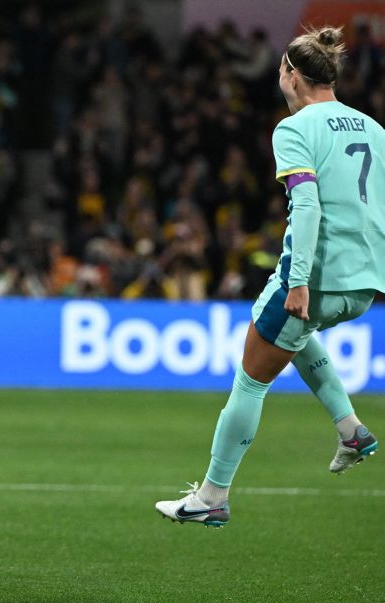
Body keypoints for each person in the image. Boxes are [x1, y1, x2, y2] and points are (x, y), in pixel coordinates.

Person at [156, 26, 383, 527]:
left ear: (291, 74)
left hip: (314, 274)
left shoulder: (295, 128)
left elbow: (306, 204)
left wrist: (299, 279)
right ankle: (351, 429)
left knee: (251, 377)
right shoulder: (372, 128)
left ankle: (212, 497)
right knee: (291, 335)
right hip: (364, 281)